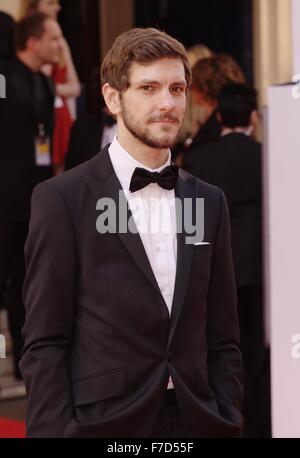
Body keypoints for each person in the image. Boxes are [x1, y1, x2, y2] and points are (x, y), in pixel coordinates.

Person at [20, 28, 243, 438]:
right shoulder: (63, 199)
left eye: (177, 88)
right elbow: (45, 341)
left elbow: (223, 334)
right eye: (148, 87)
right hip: (104, 425)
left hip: (195, 422)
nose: (167, 103)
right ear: (112, 98)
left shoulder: (209, 201)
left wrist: (226, 412)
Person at [183, 83, 271, 437]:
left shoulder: (199, 159)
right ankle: (263, 424)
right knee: (259, 350)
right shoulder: (267, 154)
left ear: (218, 116)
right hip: (262, 266)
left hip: (215, 264)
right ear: (252, 116)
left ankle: (230, 419)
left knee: (221, 346)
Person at [0, 12, 62, 380]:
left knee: (28, 283)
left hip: (34, 198)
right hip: (2, 198)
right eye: (54, 38)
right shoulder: (2, 79)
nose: (59, 45)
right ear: (32, 41)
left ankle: (24, 361)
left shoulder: (46, 84)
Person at [26, 0, 81, 174]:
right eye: (50, 3)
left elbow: (75, 88)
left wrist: (50, 88)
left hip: (60, 116)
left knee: (62, 173)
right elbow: (33, 83)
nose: (57, 8)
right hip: (37, 115)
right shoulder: (25, 39)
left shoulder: (61, 43)